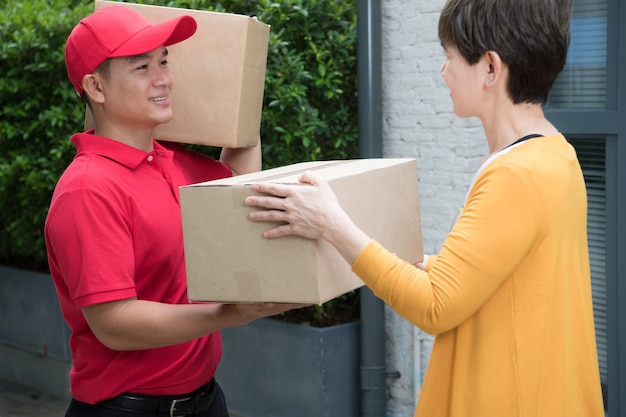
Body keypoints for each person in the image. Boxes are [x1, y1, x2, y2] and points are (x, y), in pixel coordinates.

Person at [244, 0, 605, 416]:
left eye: (449, 56)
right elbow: (488, 275)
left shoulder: (516, 175)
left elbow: (436, 305)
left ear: (490, 68)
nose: (443, 71)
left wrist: (332, 224)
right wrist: (394, 254)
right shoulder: (556, 156)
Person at [45, 6, 303, 417]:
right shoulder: (87, 190)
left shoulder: (173, 162)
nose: (163, 77)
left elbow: (237, 183)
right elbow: (115, 322)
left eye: (164, 61)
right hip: (125, 409)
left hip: (205, 400)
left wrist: (240, 95)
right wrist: (228, 314)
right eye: (141, 66)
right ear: (95, 86)